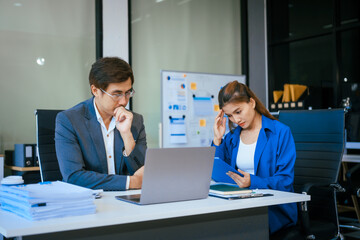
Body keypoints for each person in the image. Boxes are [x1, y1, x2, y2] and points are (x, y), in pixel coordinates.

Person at [212, 81, 297, 235]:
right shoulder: (232, 138)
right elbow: (218, 171)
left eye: (238, 111)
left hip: (272, 209)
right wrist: (218, 140)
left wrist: (252, 181)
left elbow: (285, 180)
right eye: (230, 115)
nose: (236, 120)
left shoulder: (280, 132)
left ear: (251, 102)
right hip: (240, 206)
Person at [55, 57, 146, 191]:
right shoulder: (69, 120)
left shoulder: (135, 121)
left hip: (126, 202)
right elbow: (74, 177)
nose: (124, 101)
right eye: (117, 94)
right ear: (95, 90)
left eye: (128, 93)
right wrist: (129, 182)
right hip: (88, 202)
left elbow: (143, 174)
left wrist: (127, 134)